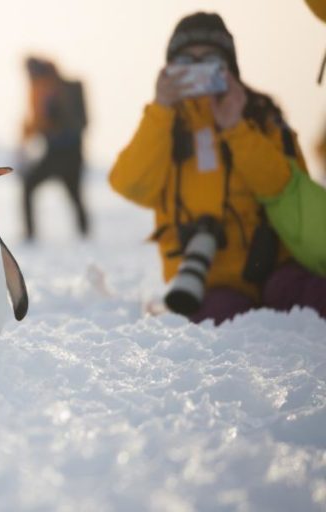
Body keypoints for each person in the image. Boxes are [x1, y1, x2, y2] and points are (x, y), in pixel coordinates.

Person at [109, 12, 326, 325]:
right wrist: (160, 109)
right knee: (218, 318)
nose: (197, 71)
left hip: (278, 269)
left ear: (229, 68)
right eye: (186, 62)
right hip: (208, 282)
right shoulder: (165, 124)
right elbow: (129, 185)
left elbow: (280, 186)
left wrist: (235, 128)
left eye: (208, 61)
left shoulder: (262, 116)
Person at [19, 56, 90, 241]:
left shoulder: (65, 89)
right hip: (58, 153)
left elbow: (80, 122)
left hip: (68, 153)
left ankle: (84, 237)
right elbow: (35, 125)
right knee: (72, 195)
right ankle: (31, 234)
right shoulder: (40, 90)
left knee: (74, 195)